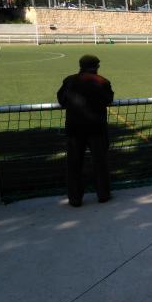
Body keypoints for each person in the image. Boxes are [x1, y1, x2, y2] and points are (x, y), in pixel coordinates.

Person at [57, 55, 114, 207]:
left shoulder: (69, 81)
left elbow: (61, 100)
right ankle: (103, 194)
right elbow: (109, 99)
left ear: (80, 65)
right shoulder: (102, 82)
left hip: (75, 130)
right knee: (100, 163)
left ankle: (75, 198)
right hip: (97, 130)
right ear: (96, 66)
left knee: (74, 164)